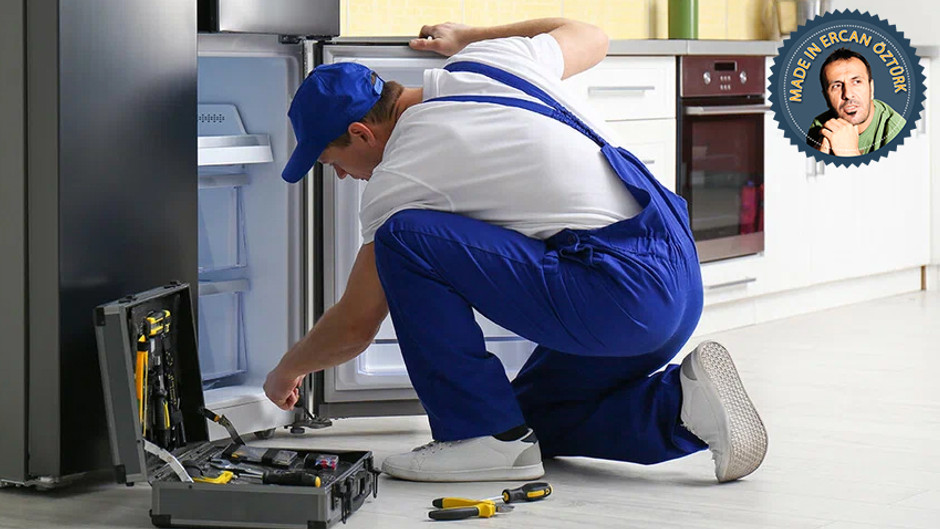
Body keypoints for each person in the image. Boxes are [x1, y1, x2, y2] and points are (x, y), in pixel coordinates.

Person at [264, 17, 767, 483]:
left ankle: (477, 437)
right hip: (675, 278)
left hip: (621, 296)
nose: (341, 176)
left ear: (361, 133)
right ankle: (684, 408)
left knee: (403, 238)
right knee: (530, 420)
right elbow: (591, 35)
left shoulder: (399, 175)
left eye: (331, 161)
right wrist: (472, 37)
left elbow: (356, 324)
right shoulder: (491, 59)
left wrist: (288, 370)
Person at [806, 47, 906, 156]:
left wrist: (851, 153)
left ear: (871, 88)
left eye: (857, 82)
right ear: (826, 97)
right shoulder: (819, 127)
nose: (848, 95)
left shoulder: (899, 132)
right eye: (836, 86)